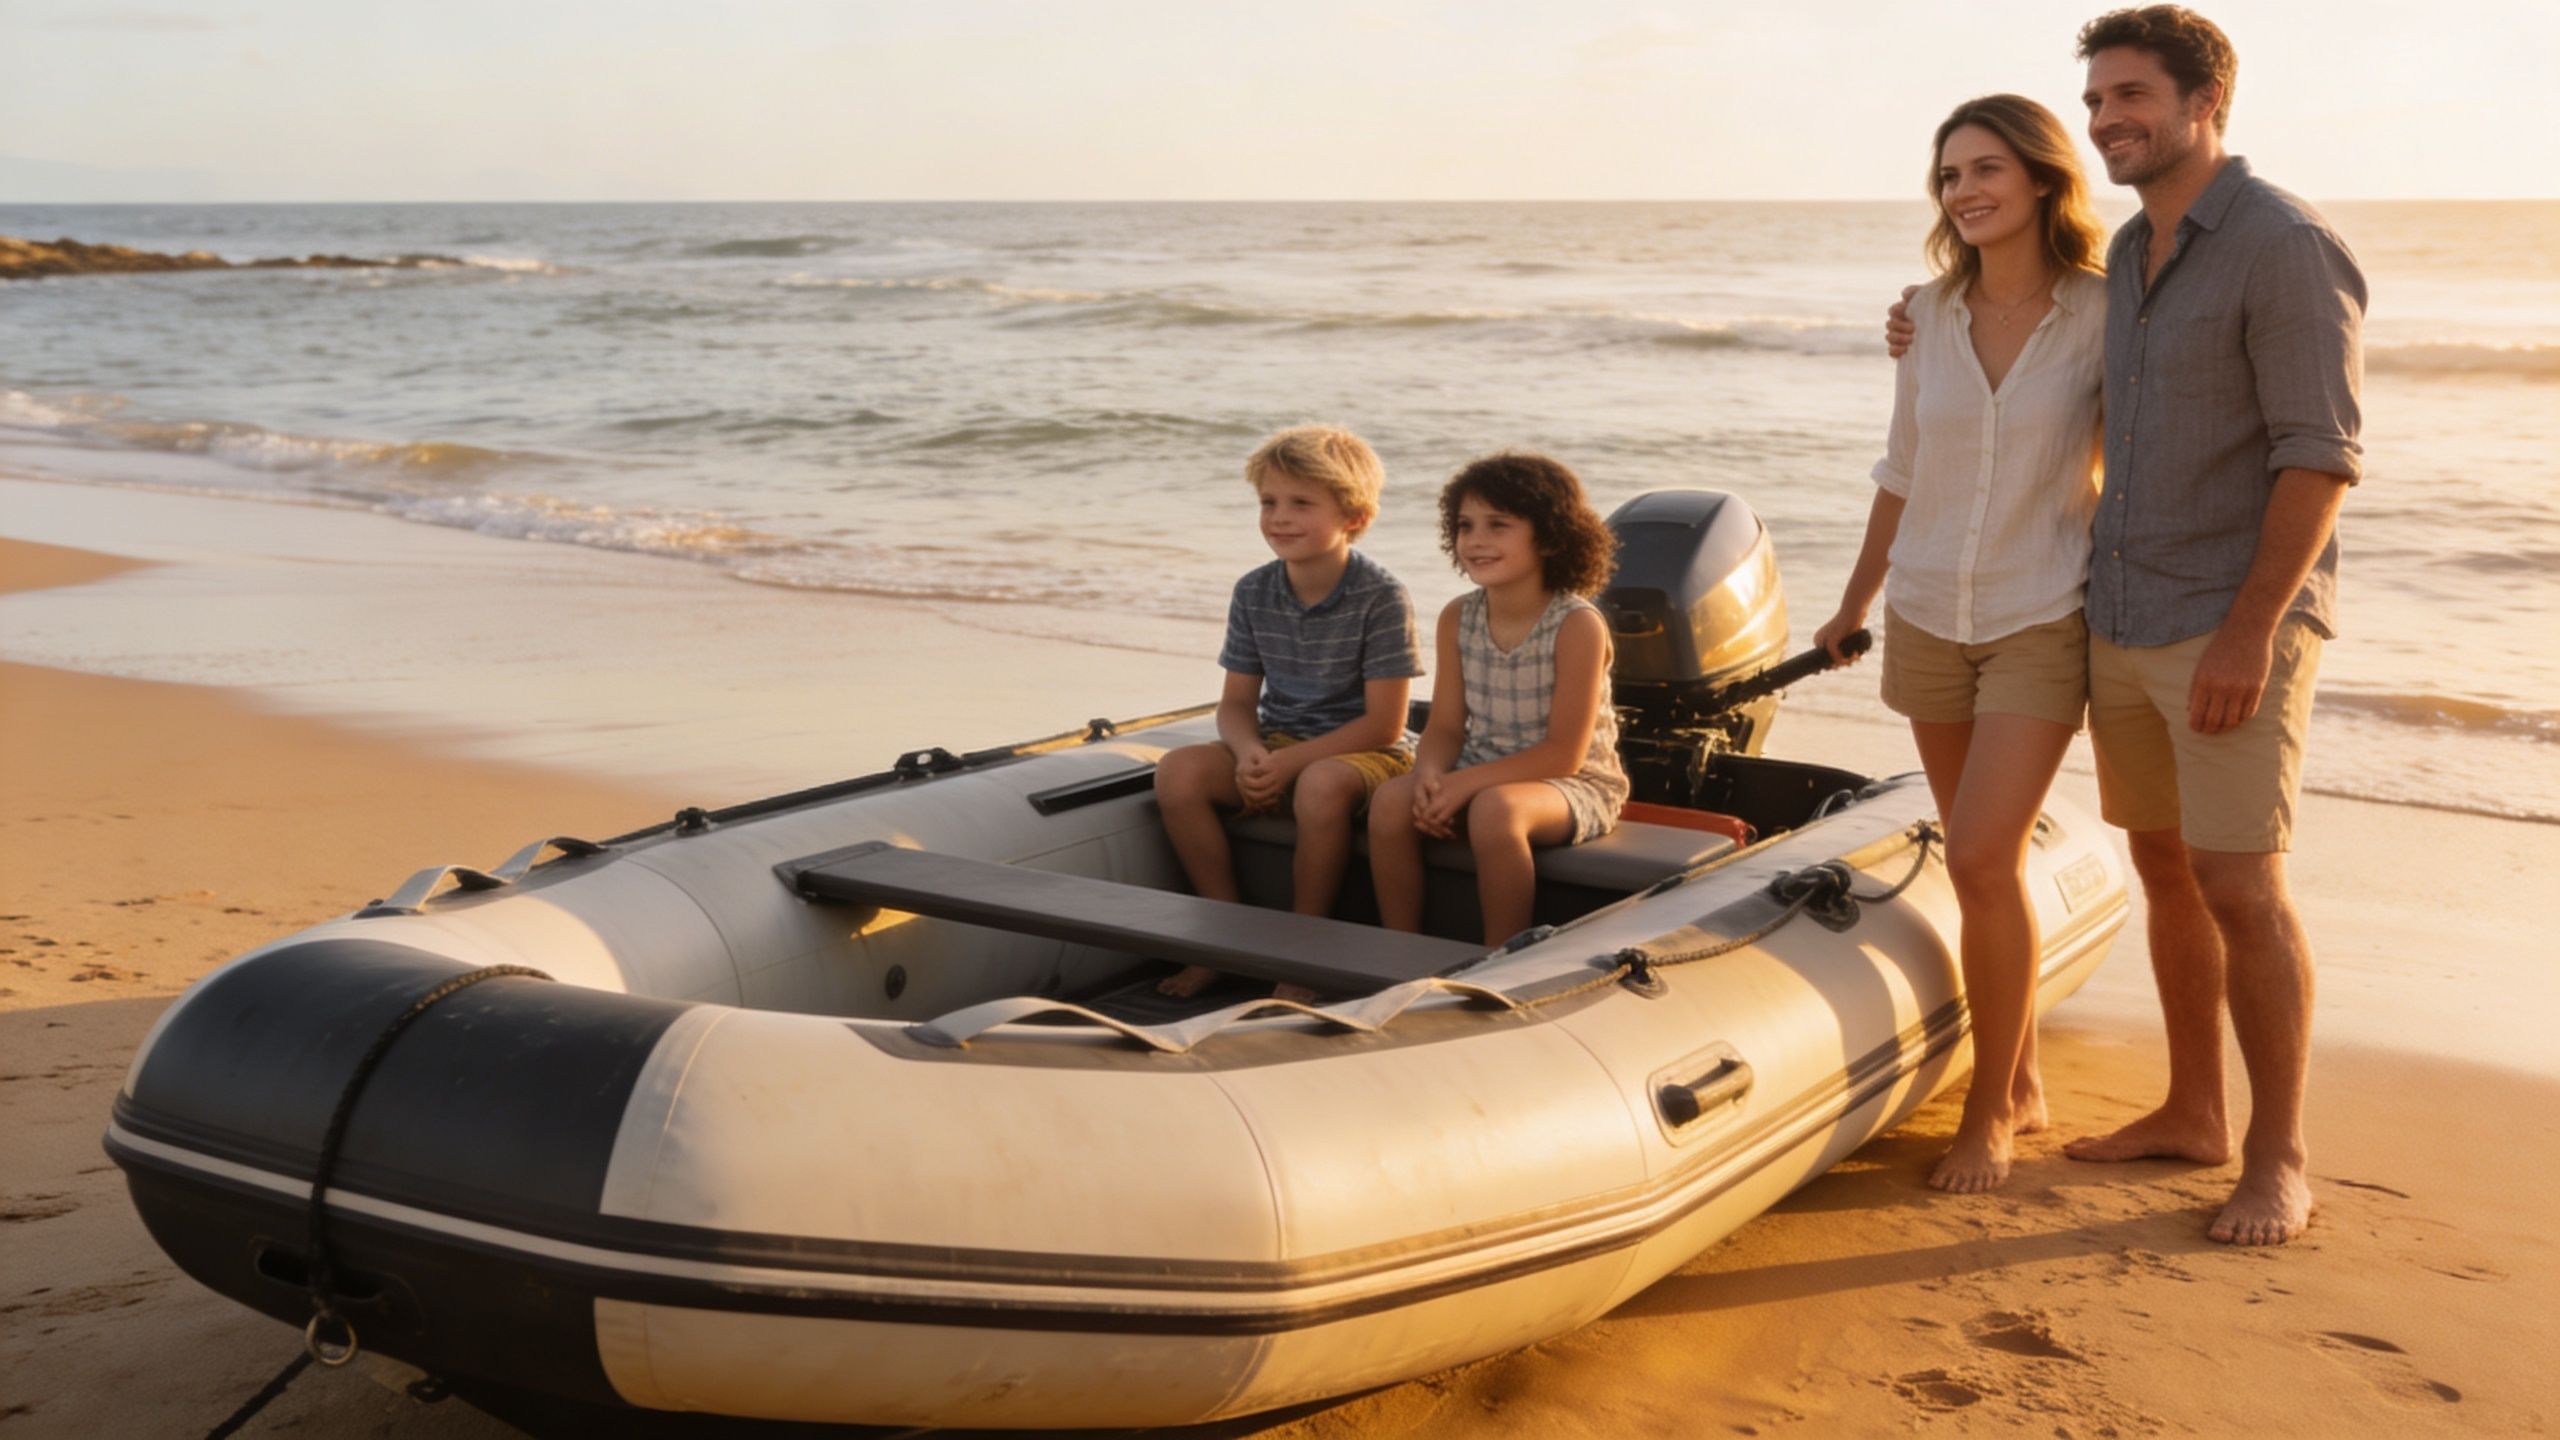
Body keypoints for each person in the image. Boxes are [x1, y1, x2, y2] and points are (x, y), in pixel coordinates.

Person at [1888, 6, 2364, 1244]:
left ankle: (2275, 1157)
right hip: (2119, 609)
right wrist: (1918, 319)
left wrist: (2251, 628)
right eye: (2095, 101)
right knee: (2162, 865)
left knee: (2239, 884)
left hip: (2228, 621)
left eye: (2131, 97)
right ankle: (2193, 1111)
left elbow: (2319, 456)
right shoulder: (2138, 257)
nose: (2108, 120)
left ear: (2206, 100)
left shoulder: (2283, 245)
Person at [1817, 93, 2109, 1194]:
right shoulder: (1925, 316)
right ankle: (2022, 1075)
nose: (1966, 191)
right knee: (1976, 859)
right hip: (1927, 610)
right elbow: (1902, 467)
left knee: (1985, 857)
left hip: (2042, 611)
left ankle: (1989, 1113)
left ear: (2040, 179)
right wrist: (1853, 601)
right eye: (1949, 176)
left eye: (1987, 169)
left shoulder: (2102, 310)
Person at [1155, 425, 1423, 1001]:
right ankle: (1221, 941)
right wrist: (1252, 752)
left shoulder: (1381, 596)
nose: (1279, 517)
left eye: (1301, 503)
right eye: (1268, 503)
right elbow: (1234, 705)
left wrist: (1291, 762)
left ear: (1353, 515)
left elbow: (1384, 724)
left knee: (1320, 785)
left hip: (1366, 755)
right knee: (1177, 771)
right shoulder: (1253, 590)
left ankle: (1302, 958)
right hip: (1280, 743)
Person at [1369, 452, 1627, 948]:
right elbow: (1444, 727)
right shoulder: (1458, 617)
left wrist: (1463, 784)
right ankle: (1398, 946)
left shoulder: (1576, 625)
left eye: (1498, 525)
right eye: (1465, 526)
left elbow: (1564, 753)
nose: (1476, 540)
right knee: (1391, 802)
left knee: (1495, 811)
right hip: (1480, 767)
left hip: (1571, 784)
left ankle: (1498, 958)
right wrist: (1429, 779)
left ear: (1551, 537)